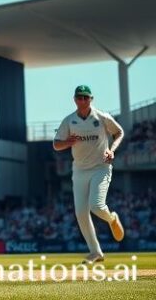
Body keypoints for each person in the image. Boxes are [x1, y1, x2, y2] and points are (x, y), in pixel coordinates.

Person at [53, 84, 125, 264]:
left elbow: (119, 132)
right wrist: (67, 142)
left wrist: (112, 150)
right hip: (79, 171)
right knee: (81, 213)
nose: (83, 100)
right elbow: (56, 144)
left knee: (96, 206)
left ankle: (112, 218)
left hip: (101, 167)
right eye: (79, 97)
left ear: (91, 99)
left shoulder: (101, 117)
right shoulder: (69, 120)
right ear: (75, 99)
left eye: (86, 97)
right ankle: (96, 252)